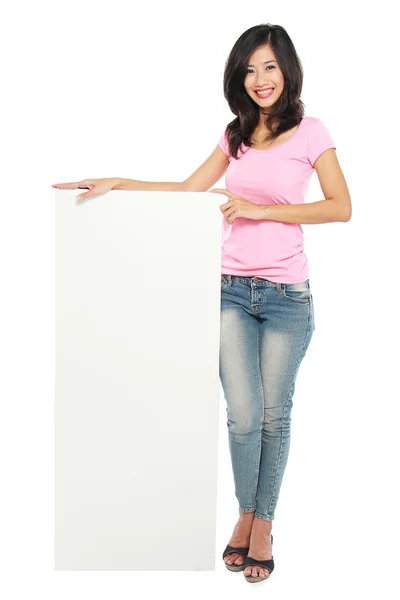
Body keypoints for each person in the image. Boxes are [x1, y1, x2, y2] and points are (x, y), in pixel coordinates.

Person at [52, 23, 351, 584]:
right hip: (231, 292)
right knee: (242, 416)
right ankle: (244, 513)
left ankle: (262, 524)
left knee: (273, 416)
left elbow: (340, 207)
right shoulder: (234, 135)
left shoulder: (312, 132)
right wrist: (117, 181)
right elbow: (188, 191)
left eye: (269, 67)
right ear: (239, 77)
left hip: (288, 297)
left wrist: (262, 211)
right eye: (250, 69)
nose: (260, 79)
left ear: (287, 70)